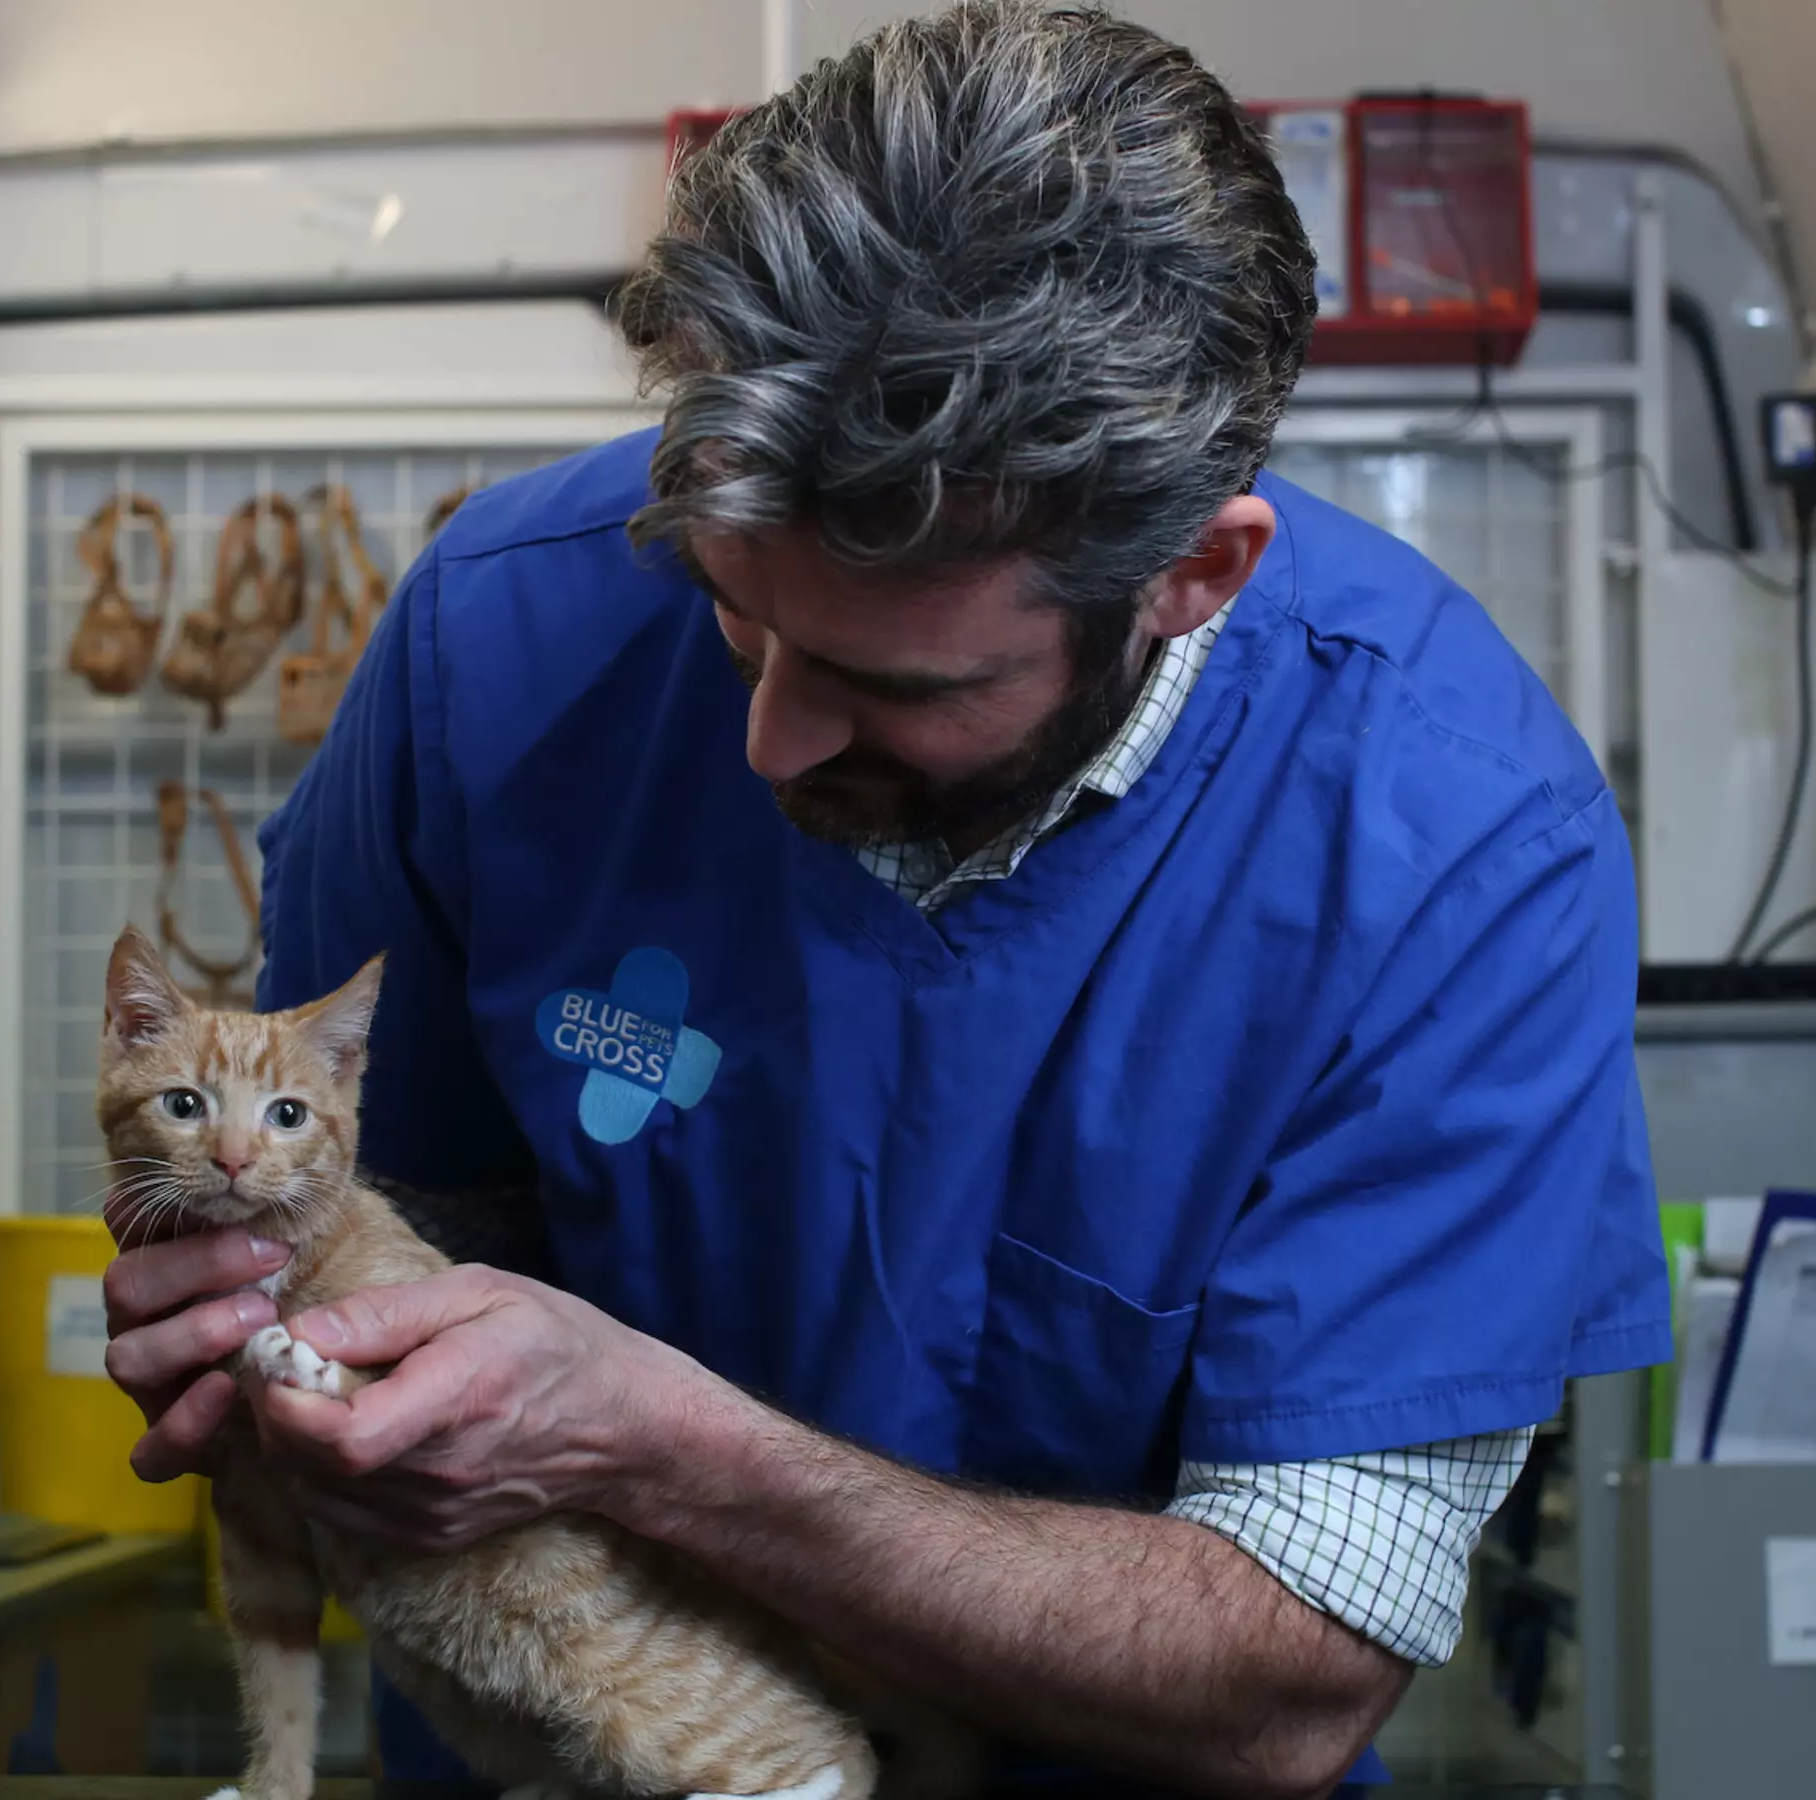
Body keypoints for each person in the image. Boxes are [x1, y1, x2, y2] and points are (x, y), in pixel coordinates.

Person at [102, 5, 1669, 1793]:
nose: (767, 741)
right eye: (729, 611)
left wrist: (660, 1447)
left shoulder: (1460, 846)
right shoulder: (497, 645)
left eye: (895, 687)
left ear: (1188, 579)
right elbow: (387, 1228)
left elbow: (1292, 1675)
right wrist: (282, 1343)